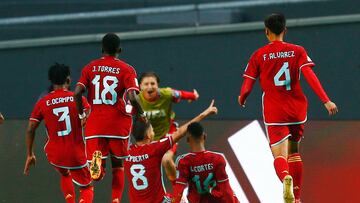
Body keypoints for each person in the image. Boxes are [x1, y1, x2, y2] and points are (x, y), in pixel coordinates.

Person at [238, 13, 338, 203]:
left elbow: (248, 84)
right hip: (297, 110)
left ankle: (285, 178)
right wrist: (326, 100)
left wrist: (243, 97)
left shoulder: (259, 55)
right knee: (294, 152)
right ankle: (297, 198)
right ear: (285, 30)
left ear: (266, 32)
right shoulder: (298, 50)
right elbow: (309, 75)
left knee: (279, 156)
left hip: (275, 112)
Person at [74, 33, 146, 203]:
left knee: (96, 172)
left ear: (102, 49)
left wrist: (81, 114)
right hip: (117, 124)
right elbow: (133, 97)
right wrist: (142, 114)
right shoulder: (127, 69)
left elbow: (77, 92)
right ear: (119, 49)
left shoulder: (90, 67)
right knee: (118, 165)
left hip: (95, 124)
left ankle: (97, 168)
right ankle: (115, 200)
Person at [24, 63, 93, 203]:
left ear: (51, 81)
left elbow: (31, 128)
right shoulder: (79, 100)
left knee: (65, 173)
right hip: (76, 154)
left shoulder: (42, 102)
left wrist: (30, 153)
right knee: (86, 188)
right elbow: (89, 116)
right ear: (68, 80)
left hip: (55, 155)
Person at [124, 100, 217, 203]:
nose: (153, 131)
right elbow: (181, 132)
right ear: (149, 135)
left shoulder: (125, 152)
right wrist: (204, 113)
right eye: (152, 130)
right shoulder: (155, 148)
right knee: (181, 200)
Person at [138, 71, 199, 184]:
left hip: (168, 133)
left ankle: (178, 193)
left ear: (157, 85)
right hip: (147, 138)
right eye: (146, 84)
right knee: (146, 167)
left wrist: (193, 96)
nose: (150, 87)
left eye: (153, 83)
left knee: (166, 160)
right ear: (140, 86)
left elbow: (181, 94)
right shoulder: (136, 99)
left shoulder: (166, 94)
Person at [172, 122, 239, 203]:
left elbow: (178, 189)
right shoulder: (218, 158)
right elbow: (226, 189)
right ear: (204, 136)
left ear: (188, 140)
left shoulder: (183, 161)